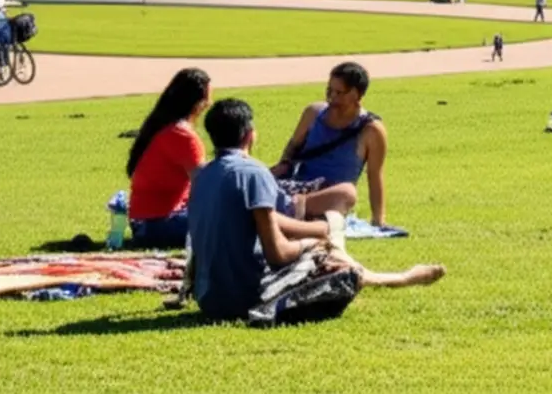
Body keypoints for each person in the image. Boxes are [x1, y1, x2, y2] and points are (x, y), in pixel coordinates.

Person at [185, 98, 445, 323]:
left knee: (322, 245)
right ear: (250, 134)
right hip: (245, 298)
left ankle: (390, 275)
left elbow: (262, 220)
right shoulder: (254, 173)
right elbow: (278, 254)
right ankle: (400, 279)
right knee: (338, 269)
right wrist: (312, 242)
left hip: (208, 299)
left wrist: (318, 230)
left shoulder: (202, 176)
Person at [271, 62, 389, 226]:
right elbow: (293, 146)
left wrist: (378, 220)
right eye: (329, 90)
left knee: (348, 193)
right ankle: (292, 208)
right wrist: (284, 164)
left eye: (339, 93)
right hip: (298, 187)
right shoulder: (313, 113)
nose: (332, 97)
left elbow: (375, 176)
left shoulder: (371, 130)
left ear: (356, 94)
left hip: (331, 195)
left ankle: (290, 209)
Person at [126, 68, 211, 249]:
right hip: (159, 224)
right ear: (198, 102)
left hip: (143, 223)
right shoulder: (183, 135)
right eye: (207, 98)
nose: (209, 104)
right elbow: (204, 185)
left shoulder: (160, 127)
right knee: (236, 220)